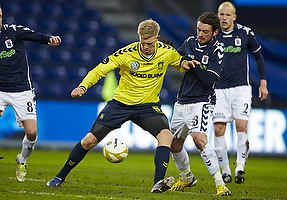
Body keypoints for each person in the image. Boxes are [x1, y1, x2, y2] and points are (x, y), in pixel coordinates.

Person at [47, 19, 200, 193]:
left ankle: (158, 182)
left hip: (147, 106)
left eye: (149, 43)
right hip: (121, 104)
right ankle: (60, 176)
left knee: (166, 136)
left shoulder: (167, 52)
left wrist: (184, 65)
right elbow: (99, 70)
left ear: (157, 38)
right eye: (142, 42)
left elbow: (179, 63)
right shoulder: (126, 53)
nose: (145, 47)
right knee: (89, 140)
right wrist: (83, 86)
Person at [168, 12, 231, 196]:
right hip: (182, 101)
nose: (200, 34)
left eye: (205, 31)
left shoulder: (217, 50)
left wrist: (193, 65)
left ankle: (220, 184)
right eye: (198, 30)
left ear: (215, 33)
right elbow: (177, 61)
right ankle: (187, 176)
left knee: (199, 139)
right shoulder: (189, 42)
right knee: (173, 144)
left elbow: (209, 80)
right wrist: (172, 55)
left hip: (202, 101)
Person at [0, 6, 61, 182]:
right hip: (0, 89)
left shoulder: (13, 31)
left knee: (32, 132)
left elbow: (36, 35)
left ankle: (22, 159)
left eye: (0, 16)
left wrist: (50, 39)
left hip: (22, 90)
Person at [213, 1, 268, 184]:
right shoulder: (213, 34)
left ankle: (240, 169)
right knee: (218, 129)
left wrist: (263, 82)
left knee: (241, 126)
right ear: (218, 15)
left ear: (234, 17)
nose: (224, 18)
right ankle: (226, 170)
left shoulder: (245, 33)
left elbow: (258, 56)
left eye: (228, 15)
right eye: (221, 14)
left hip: (241, 88)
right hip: (218, 89)